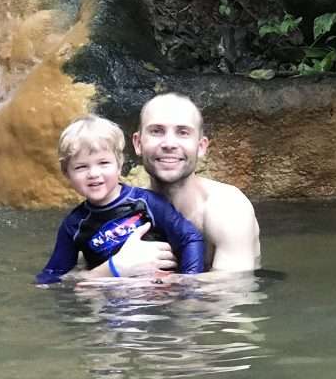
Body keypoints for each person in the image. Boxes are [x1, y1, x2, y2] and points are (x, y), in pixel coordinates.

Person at [82, 92, 261, 278]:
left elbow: (230, 293)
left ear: (201, 147)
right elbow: (64, 281)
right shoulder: (122, 208)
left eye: (183, 132)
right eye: (156, 131)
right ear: (138, 143)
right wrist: (114, 267)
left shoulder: (227, 208)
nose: (169, 144)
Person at [35, 115, 205, 284]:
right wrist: (107, 270)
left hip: (159, 296)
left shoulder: (147, 202)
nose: (94, 174)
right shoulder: (73, 226)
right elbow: (50, 276)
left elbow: (190, 238)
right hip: (108, 303)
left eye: (103, 163)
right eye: (81, 167)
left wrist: (187, 284)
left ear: (119, 164)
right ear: (66, 173)